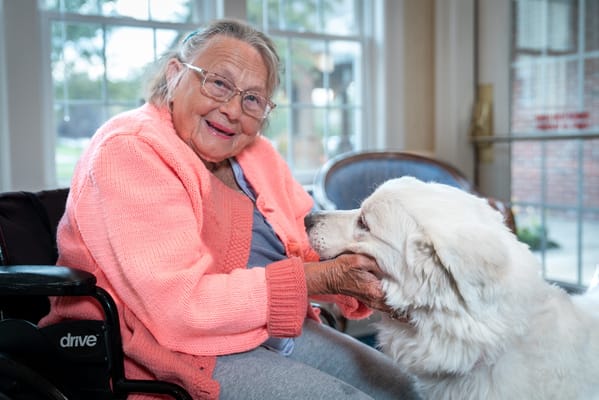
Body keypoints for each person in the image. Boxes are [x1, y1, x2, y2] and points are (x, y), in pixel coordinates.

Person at [40, 18, 421, 400]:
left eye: (252, 98)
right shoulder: (131, 150)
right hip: (169, 345)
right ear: (175, 75)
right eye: (219, 83)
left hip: (264, 330)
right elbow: (180, 308)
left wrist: (372, 280)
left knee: (409, 390)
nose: (233, 110)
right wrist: (322, 279)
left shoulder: (258, 154)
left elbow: (305, 247)